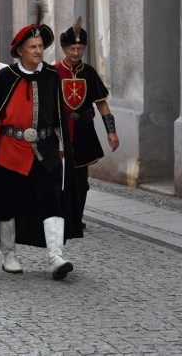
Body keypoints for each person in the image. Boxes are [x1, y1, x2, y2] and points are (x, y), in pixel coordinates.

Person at [0, 17, 82, 280]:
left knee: (52, 199)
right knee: (8, 203)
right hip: (10, 151)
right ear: (19, 50)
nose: (38, 50)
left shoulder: (52, 75)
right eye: (32, 46)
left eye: (40, 46)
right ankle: (8, 254)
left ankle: (56, 256)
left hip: (45, 150)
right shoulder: (5, 77)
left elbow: (58, 112)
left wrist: (62, 144)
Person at [57, 18, 120, 229]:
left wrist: (111, 132)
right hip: (61, 132)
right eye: (72, 48)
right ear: (64, 48)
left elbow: (102, 104)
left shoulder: (89, 72)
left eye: (80, 48)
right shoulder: (53, 72)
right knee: (60, 179)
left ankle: (76, 218)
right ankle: (61, 216)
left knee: (81, 181)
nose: (76, 53)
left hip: (83, 132)